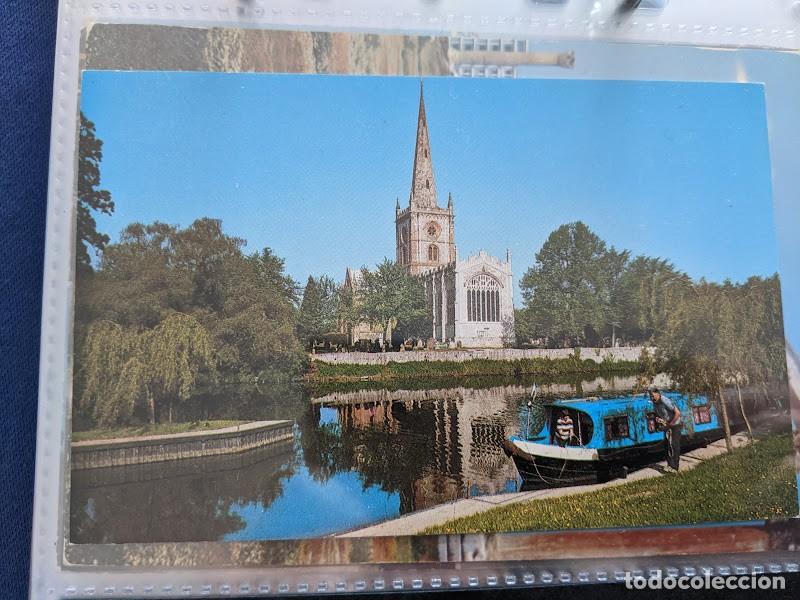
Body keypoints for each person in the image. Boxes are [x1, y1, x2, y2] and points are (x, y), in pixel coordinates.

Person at [649, 388, 682, 471]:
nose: (651, 398)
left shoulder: (665, 401)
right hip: (667, 425)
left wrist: (670, 424)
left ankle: (675, 467)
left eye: (653, 396)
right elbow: (660, 414)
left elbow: (678, 413)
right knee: (666, 446)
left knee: (674, 445)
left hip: (675, 425)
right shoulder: (655, 403)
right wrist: (658, 419)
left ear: (658, 394)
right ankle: (670, 465)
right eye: (650, 396)